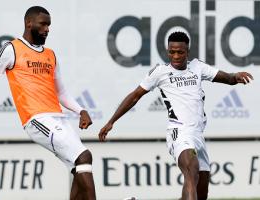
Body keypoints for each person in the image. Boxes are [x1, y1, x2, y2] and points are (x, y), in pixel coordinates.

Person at [98, 31, 253, 200]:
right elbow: (135, 96)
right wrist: (111, 121)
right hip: (179, 133)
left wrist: (235, 76)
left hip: (198, 135)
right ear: (167, 51)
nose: (176, 56)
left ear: (187, 51)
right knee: (191, 172)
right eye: (172, 52)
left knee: (200, 194)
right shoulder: (160, 72)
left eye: (180, 52)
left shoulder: (197, 67)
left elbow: (227, 78)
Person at [0, 6, 96, 200]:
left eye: (49, 25)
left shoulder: (50, 54)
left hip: (58, 118)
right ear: (29, 23)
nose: (47, 29)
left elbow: (60, 91)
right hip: (36, 119)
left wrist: (81, 110)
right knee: (84, 156)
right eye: (43, 24)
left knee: (78, 167)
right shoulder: (11, 49)